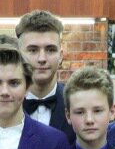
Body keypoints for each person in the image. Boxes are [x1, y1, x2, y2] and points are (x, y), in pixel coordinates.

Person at [16, 9, 75, 141]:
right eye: (33, 50)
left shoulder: (76, 102)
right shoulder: (1, 102)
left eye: (50, 50)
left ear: (61, 55)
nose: (42, 58)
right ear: (19, 54)